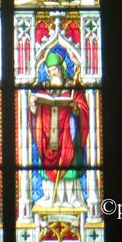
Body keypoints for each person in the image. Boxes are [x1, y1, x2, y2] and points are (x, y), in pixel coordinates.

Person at [29, 51, 89, 208]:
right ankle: (50, 196)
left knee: (70, 162)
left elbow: (84, 110)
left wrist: (76, 110)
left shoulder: (73, 89)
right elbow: (34, 115)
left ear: (61, 69)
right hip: (49, 136)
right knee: (48, 161)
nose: (51, 73)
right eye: (49, 71)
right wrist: (33, 105)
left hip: (69, 134)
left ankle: (72, 197)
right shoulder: (44, 90)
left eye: (54, 69)